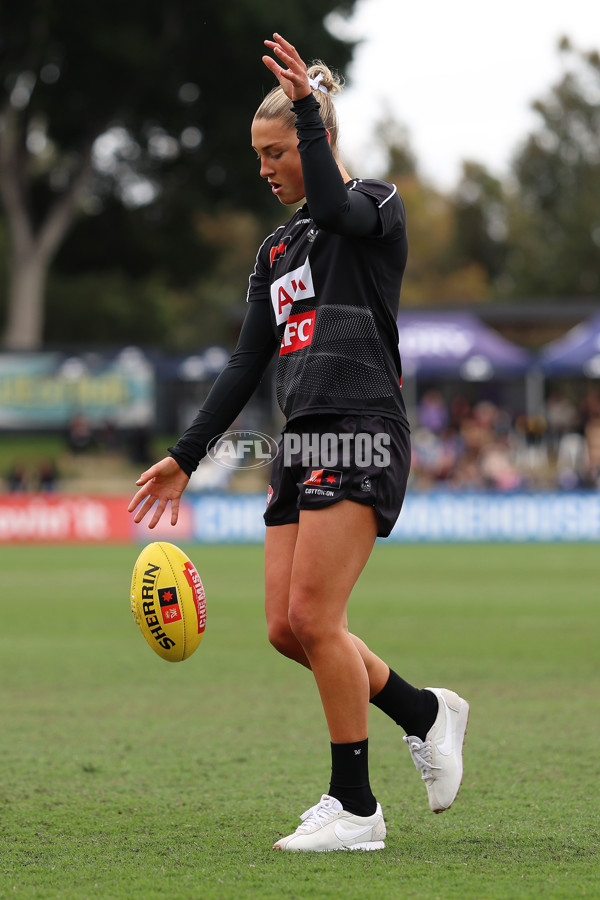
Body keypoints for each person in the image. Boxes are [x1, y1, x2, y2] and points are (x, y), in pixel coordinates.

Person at [128, 33, 469, 852]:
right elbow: (247, 363)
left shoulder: (372, 210)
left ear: (315, 139)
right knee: (289, 628)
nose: (265, 168)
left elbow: (334, 205)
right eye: (260, 156)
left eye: (275, 151)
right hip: (299, 440)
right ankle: (425, 713)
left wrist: (311, 122)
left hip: (362, 433)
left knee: (318, 616)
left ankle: (354, 808)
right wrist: (186, 454)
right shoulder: (276, 251)